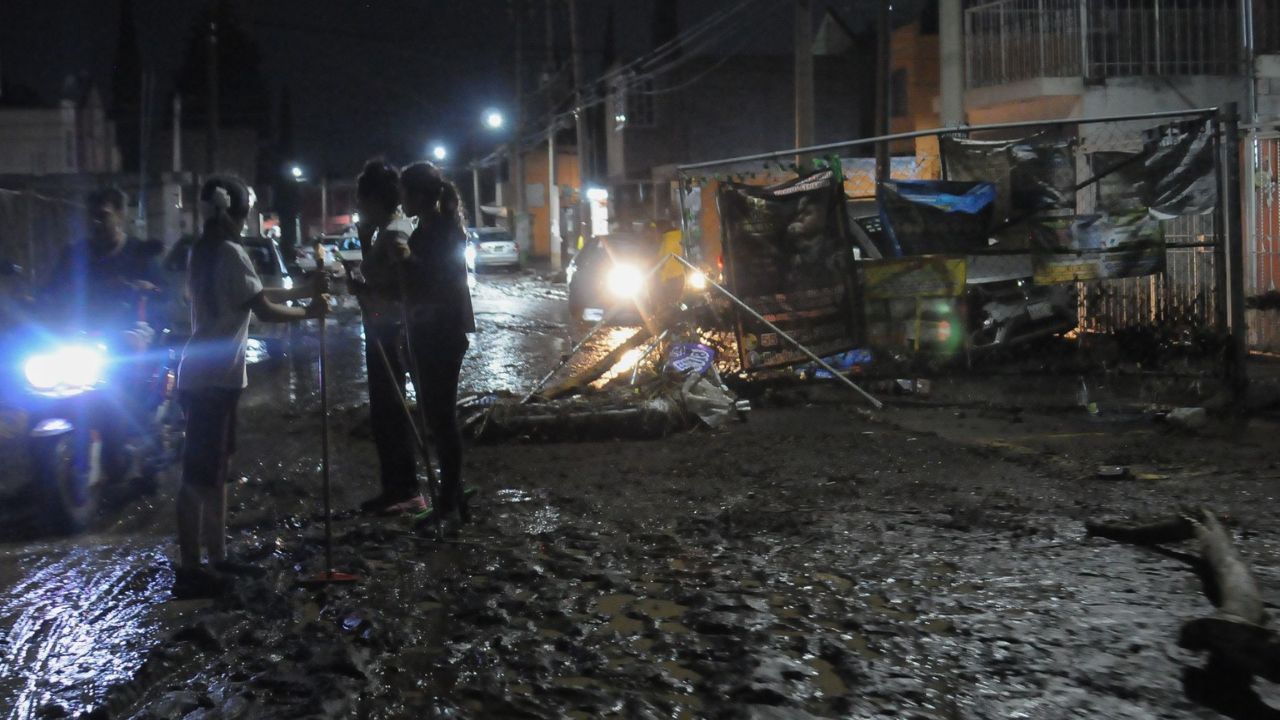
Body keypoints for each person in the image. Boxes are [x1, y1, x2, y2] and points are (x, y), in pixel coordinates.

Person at [173, 175, 328, 598]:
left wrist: (303, 291)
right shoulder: (230, 252)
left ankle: (217, 556)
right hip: (211, 377)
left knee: (213, 473)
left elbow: (253, 294)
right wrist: (307, 310)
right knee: (198, 476)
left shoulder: (205, 252)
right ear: (239, 213)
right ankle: (190, 568)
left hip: (209, 375)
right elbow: (264, 309)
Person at [397, 162, 475, 530]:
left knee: (442, 417)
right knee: (434, 415)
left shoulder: (443, 232)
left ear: (421, 196)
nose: (402, 200)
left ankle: (449, 501)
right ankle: (453, 493)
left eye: (406, 193)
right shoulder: (424, 230)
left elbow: (442, 282)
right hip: (426, 331)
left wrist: (410, 261)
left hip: (443, 332)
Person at [348, 159, 422, 514]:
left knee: (390, 413)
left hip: (390, 331)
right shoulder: (389, 229)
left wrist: (363, 286)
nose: (358, 207)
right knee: (386, 411)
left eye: (361, 200)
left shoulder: (394, 234)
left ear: (374, 200)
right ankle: (396, 487)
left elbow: (399, 288)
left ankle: (405, 490)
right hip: (386, 328)